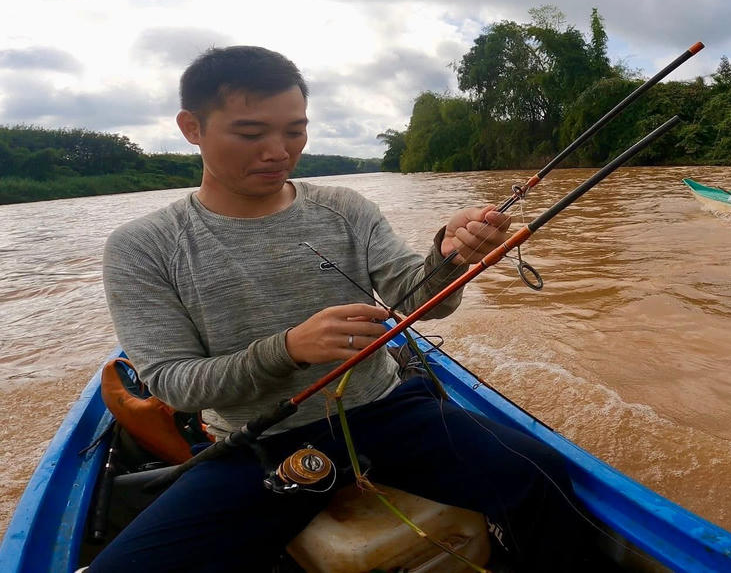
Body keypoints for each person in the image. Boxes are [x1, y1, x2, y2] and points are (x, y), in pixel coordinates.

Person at [93, 46, 590, 572]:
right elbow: (173, 383)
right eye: (250, 133)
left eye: (294, 130)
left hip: (386, 411)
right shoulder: (142, 246)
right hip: (257, 441)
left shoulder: (347, 208)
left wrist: (449, 255)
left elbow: (418, 299)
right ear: (192, 127)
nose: (278, 151)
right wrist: (287, 350)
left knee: (540, 472)